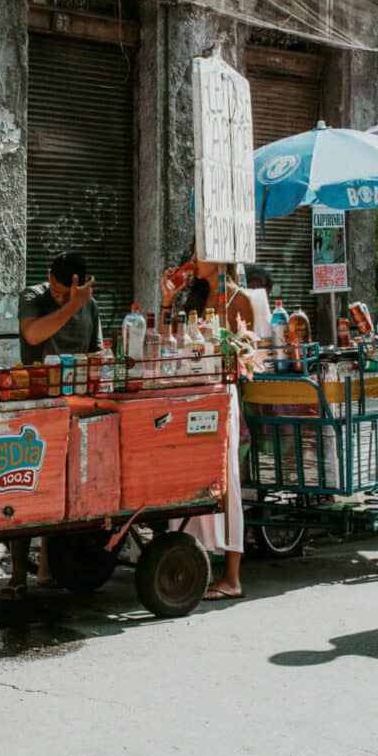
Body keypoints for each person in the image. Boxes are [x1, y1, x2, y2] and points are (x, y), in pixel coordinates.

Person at [161, 256, 267, 601]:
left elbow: (253, 352)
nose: (194, 260)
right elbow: (168, 341)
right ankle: (192, 564)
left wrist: (231, 345)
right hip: (190, 394)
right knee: (188, 477)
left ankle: (232, 576)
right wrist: (167, 300)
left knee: (226, 480)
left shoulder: (243, 299)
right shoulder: (193, 298)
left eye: (200, 252)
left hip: (222, 395)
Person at [5, 251, 103, 597]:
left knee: (61, 485)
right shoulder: (33, 297)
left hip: (74, 408)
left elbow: (96, 354)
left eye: (66, 294)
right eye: (57, 290)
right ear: (49, 276)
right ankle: (18, 576)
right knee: (25, 486)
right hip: (33, 407)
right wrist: (71, 305)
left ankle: (47, 568)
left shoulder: (90, 307)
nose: (60, 296)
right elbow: (33, 335)